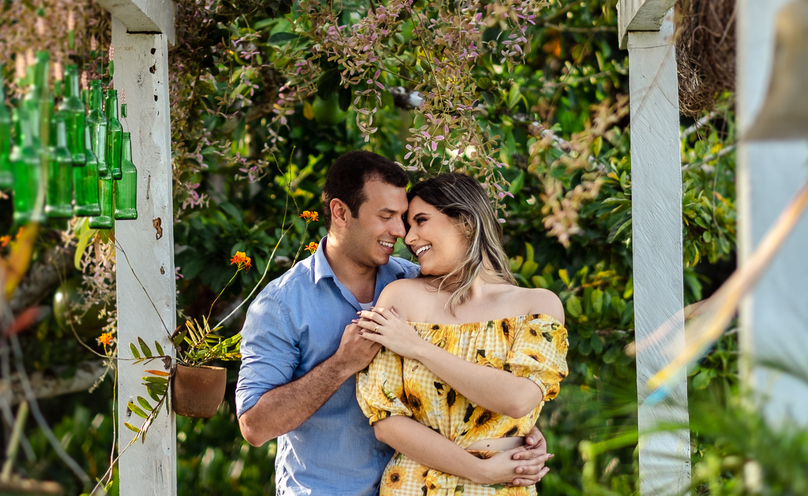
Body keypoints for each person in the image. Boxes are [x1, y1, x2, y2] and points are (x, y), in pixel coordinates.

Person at [235, 152, 550, 496]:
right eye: (387, 216)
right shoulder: (281, 304)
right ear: (341, 212)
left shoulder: (419, 283)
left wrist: (515, 432)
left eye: (405, 218)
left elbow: (477, 370)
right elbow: (255, 426)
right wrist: (342, 364)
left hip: (424, 484)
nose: (401, 232)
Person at [354, 172, 568, 496]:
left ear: (465, 220)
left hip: (503, 487)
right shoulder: (401, 298)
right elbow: (386, 420)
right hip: (415, 486)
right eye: (408, 227)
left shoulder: (537, 306)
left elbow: (518, 399)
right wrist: (479, 470)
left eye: (420, 221)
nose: (409, 238)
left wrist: (419, 348)